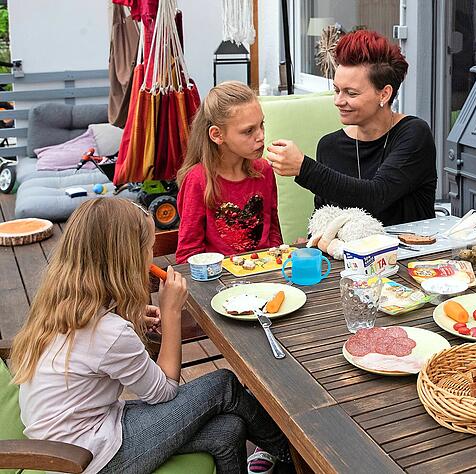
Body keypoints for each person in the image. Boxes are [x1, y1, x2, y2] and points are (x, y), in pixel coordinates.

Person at [11, 198, 291, 473]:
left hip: (68, 435)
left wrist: (127, 317)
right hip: (84, 458)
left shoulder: (60, 305)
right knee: (225, 384)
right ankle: (290, 454)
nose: (152, 255)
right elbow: (163, 391)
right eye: (148, 247)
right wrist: (171, 314)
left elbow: (95, 348)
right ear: (127, 258)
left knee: (228, 430)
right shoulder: (109, 332)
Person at [266, 30, 437, 226]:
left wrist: (303, 168)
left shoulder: (414, 134)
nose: (338, 101)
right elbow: (323, 217)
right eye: (337, 90)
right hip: (345, 255)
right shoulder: (329, 146)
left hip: (411, 254)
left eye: (351, 93)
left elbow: (376, 196)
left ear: (384, 94)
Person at [176, 81, 282, 264]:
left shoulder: (264, 170)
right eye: (248, 131)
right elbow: (188, 256)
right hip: (219, 284)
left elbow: (273, 232)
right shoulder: (198, 180)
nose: (261, 136)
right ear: (217, 135)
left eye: (261, 125)